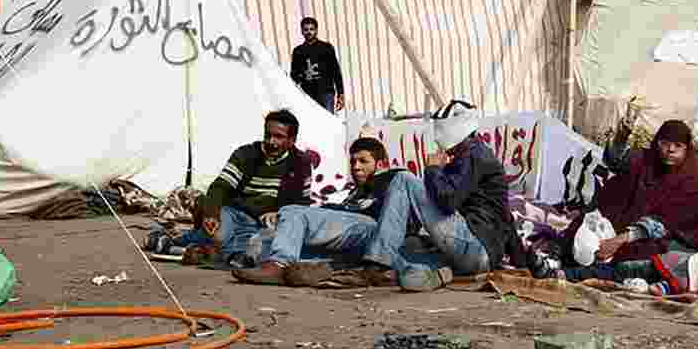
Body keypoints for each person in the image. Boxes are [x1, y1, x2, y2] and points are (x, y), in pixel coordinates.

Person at [360, 100, 522, 293]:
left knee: (404, 179)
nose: (437, 139)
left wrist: (433, 169)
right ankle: (433, 274)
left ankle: (377, 263)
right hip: (480, 254)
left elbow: (447, 201)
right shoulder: (473, 156)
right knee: (409, 247)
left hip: (476, 246)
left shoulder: (474, 156)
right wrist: (522, 263)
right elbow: (505, 217)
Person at [232, 136, 407, 286]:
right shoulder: (355, 193)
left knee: (293, 212)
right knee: (271, 233)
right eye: (353, 161)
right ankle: (290, 267)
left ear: (381, 164)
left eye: (363, 161)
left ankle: (278, 265)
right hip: (352, 239)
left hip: (371, 232)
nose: (356, 167)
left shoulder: (390, 182)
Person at [559, 119, 698, 287]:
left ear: (687, 149)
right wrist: (621, 138)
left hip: (671, 242)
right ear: (656, 143)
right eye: (665, 143)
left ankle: (568, 275)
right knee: (577, 232)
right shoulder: (645, 160)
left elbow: (666, 224)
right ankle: (561, 264)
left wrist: (619, 241)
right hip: (622, 228)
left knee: (634, 259)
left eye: (678, 145)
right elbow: (615, 162)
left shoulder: (695, 182)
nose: (670, 150)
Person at [172, 109, 314, 270]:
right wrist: (212, 214)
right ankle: (178, 242)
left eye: (279, 137)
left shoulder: (301, 163)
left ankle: (198, 250)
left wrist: (280, 214)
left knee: (260, 243)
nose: (271, 141)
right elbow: (220, 187)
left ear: (291, 140)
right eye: (268, 135)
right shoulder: (246, 154)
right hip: (234, 213)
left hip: (264, 224)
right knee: (218, 235)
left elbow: (302, 206)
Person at [290, 17, 345, 114]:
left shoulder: (326, 48)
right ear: (302, 31)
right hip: (307, 94)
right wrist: (302, 75)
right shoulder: (298, 51)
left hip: (326, 92)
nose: (309, 32)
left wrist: (341, 94)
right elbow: (294, 74)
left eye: (311, 29)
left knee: (328, 121)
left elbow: (335, 71)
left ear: (316, 30)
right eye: (306, 29)